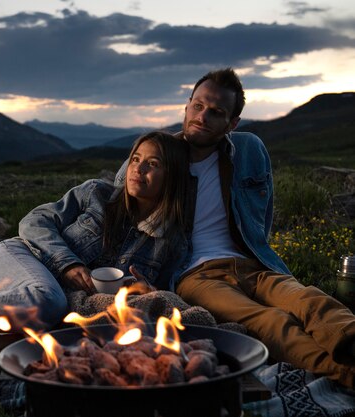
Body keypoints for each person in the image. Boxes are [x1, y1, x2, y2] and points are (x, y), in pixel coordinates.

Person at [116, 68, 355, 388]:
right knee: (269, 320)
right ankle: (345, 375)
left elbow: (263, 212)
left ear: (231, 124)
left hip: (252, 263)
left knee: (310, 299)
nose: (202, 117)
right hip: (196, 274)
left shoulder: (249, 150)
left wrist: (256, 250)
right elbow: (122, 197)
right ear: (187, 106)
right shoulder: (161, 154)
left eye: (216, 113)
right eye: (198, 106)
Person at [0, 131, 190, 333]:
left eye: (153, 164)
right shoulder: (96, 194)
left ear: (172, 176)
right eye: (135, 159)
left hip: (27, 306)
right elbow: (33, 222)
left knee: (65, 320)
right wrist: (67, 264)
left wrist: (145, 289)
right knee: (50, 301)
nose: (139, 169)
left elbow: (163, 294)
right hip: (15, 262)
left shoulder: (171, 243)